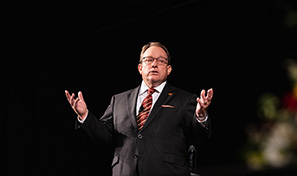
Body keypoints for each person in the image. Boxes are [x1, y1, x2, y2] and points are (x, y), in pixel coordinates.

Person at [65, 42, 213, 176]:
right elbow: (104, 136)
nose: (154, 64)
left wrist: (200, 116)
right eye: (149, 60)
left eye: (161, 61)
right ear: (140, 68)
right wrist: (85, 115)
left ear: (168, 69)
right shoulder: (119, 100)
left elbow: (198, 138)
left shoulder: (185, 99)